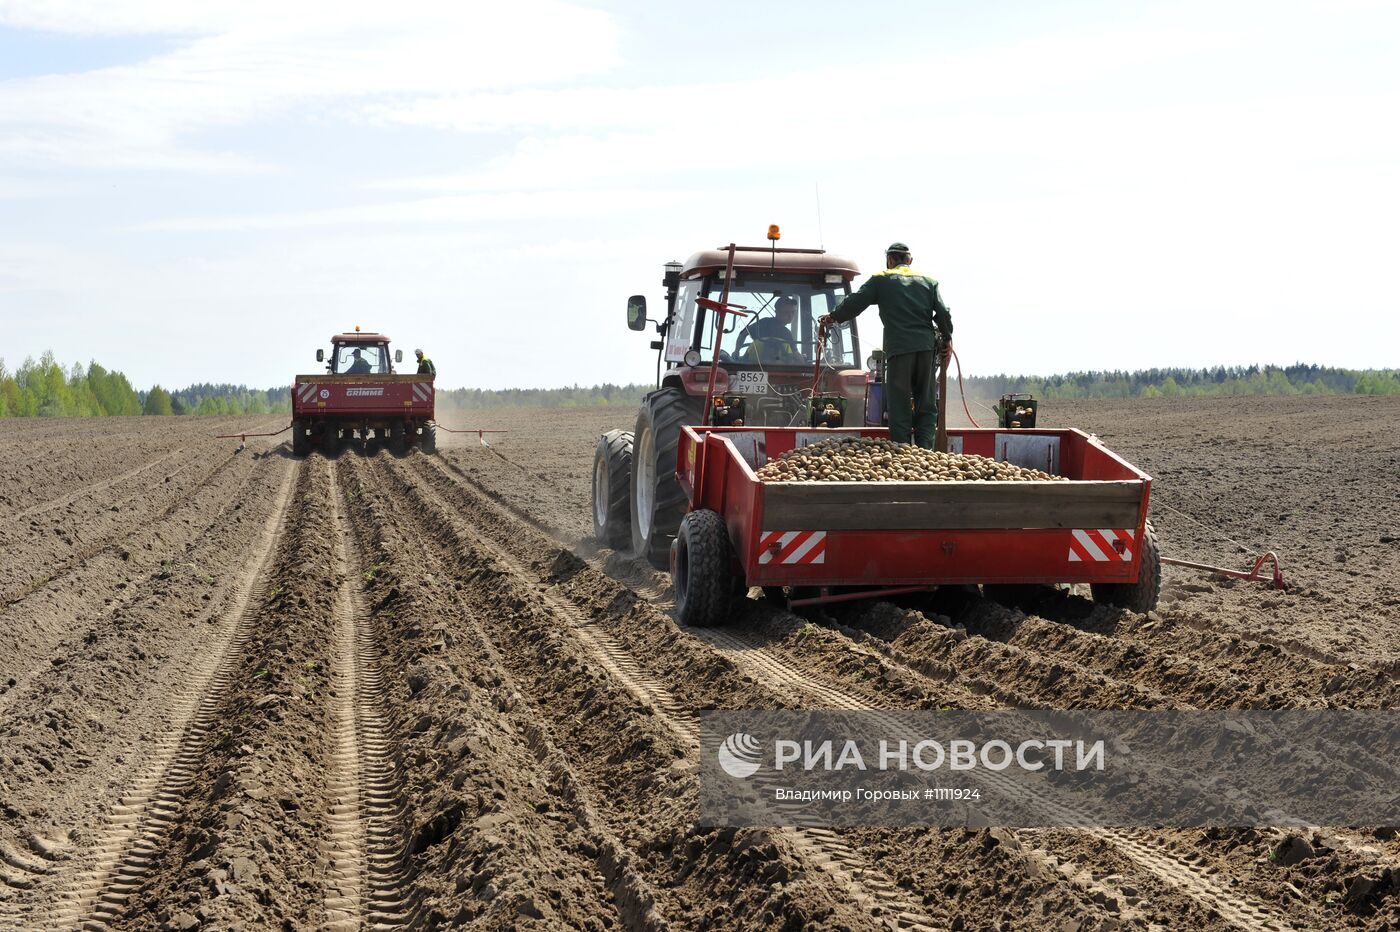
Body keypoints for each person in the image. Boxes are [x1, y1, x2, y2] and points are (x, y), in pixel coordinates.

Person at [821, 242, 953, 448]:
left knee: (899, 405)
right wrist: (947, 338)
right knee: (926, 404)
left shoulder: (881, 280)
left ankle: (902, 452)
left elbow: (855, 302)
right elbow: (943, 314)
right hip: (926, 350)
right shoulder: (929, 282)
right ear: (909, 260)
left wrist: (833, 317)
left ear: (890, 260)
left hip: (899, 350)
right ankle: (926, 452)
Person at [744, 296, 801, 364]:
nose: (790, 316)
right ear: (777, 312)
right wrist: (805, 368)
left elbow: (742, 334)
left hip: (751, 365)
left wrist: (736, 352)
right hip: (772, 368)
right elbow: (796, 354)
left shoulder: (764, 322)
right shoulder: (785, 333)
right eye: (786, 312)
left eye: (793, 312)